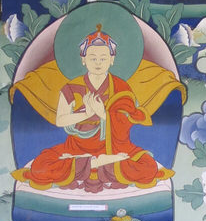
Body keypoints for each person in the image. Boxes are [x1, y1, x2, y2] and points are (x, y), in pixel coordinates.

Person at [12, 25, 172, 193]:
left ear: (112, 60)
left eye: (103, 58)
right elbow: (61, 120)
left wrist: (103, 114)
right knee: (40, 167)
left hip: (113, 148)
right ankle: (97, 163)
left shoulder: (121, 87)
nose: (98, 63)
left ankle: (89, 164)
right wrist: (86, 114)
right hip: (76, 148)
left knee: (148, 167)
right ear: (83, 59)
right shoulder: (71, 87)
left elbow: (131, 119)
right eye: (93, 58)